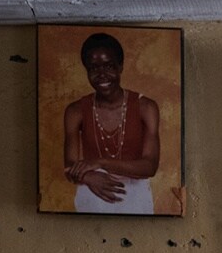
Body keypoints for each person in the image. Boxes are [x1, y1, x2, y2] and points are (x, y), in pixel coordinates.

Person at [61, 32, 160, 215]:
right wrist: (90, 177)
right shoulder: (75, 111)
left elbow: (150, 166)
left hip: (136, 196)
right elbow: (69, 167)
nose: (102, 75)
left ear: (120, 67)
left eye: (109, 66)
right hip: (91, 192)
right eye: (93, 68)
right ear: (86, 70)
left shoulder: (146, 107)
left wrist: (100, 163)